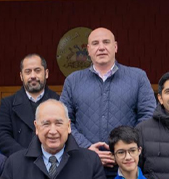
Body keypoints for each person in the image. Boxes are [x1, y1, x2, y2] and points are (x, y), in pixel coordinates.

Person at [59, 27, 157, 168]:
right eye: (95, 43)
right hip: (85, 164)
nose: (101, 47)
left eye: (106, 42)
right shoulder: (72, 81)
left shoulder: (138, 77)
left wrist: (124, 149)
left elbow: (148, 116)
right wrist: (86, 148)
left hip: (127, 166)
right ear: (88, 49)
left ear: (115, 47)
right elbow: (64, 120)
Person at [0, 54, 59, 156]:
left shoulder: (59, 102)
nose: (33, 76)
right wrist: (24, 156)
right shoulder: (7, 104)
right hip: (18, 161)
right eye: (28, 71)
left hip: (53, 160)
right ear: (21, 76)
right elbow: (1, 135)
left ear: (46, 73)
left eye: (37, 70)